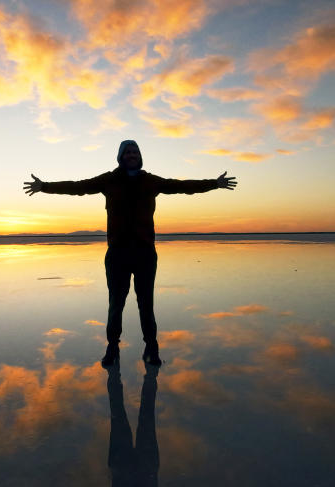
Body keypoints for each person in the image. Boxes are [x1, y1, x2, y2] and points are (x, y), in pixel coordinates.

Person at [23, 140, 236, 367]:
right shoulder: (109, 180)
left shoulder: (150, 181)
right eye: (127, 152)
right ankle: (112, 347)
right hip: (117, 253)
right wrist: (44, 186)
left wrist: (215, 183)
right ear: (121, 156)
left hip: (145, 253)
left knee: (146, 304)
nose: (132, 155)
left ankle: (151, 347)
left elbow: (182, 186)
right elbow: (78, 187)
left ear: (139, 156)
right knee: (116, 304)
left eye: (135, 152)